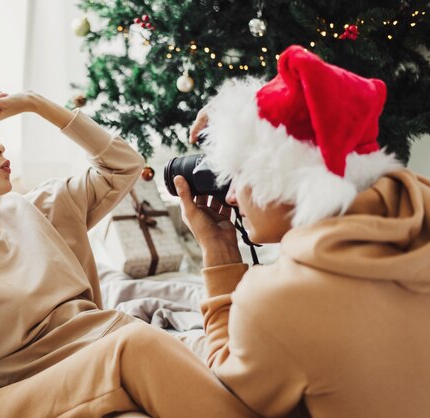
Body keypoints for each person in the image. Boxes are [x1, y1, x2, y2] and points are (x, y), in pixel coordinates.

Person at [0, 63, 256, 418]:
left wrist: (36, 103)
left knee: (253, 360)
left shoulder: (29, 210)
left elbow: (122, 165)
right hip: (79, 380)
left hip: (128, 347)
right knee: (143, 352)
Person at [172, 45, 430, 417]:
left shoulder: (279, 300)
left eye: (240, 173)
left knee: (127, 348)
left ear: (284, 180)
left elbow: (224, 396)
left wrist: (219, 255)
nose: (229, 194)